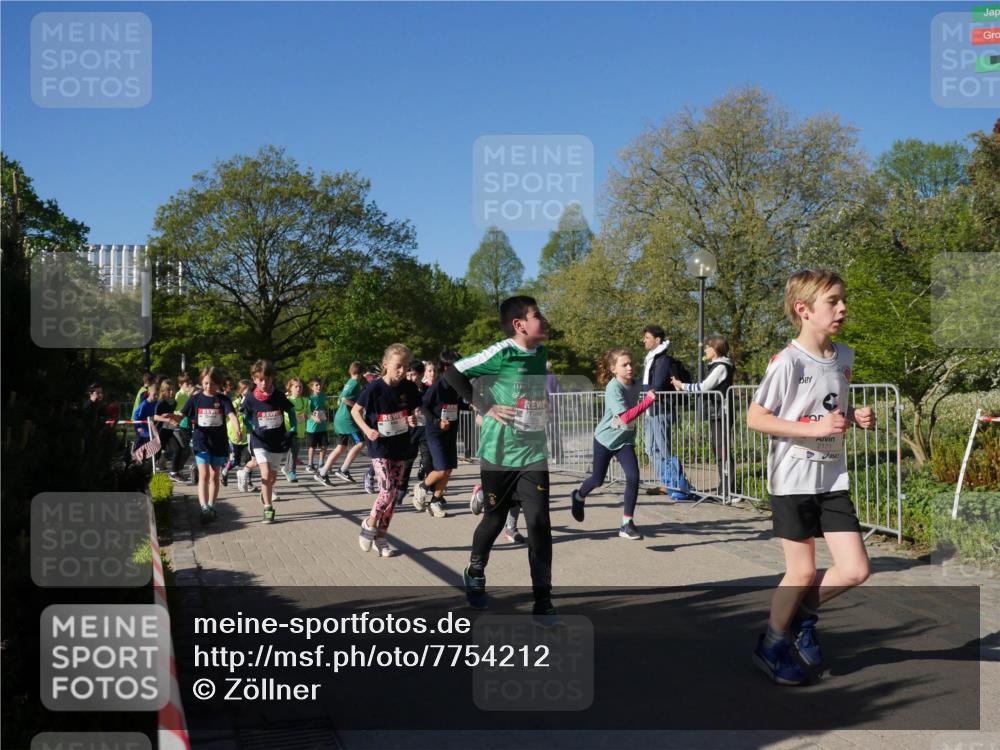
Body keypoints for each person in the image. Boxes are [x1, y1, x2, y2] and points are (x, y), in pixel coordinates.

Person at [747, 269, 874, 686]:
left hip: (832, 480)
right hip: (793, 479)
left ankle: (800, 616)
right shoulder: (788, 362)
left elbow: (834, 406)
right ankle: (771, 644)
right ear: (804, 310)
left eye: (843, 299)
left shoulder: (845, 356)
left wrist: (854, 417)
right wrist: (813, 429)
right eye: (833, 301)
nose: (843, 308)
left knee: (855, 570)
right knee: (800, 574)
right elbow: (755, 417)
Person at [443, 296, 558, 623]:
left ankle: (543, 601)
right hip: (498, 454)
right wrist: (485, 405)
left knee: (539, 524)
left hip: (533, 453)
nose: (544, 320)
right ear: (520, 325)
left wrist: (540, 407)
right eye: (538, 315)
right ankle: (475, 569)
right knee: (494, 519)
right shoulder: (502, 352)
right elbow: (453, 374)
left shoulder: (542, 352)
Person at [571, 349, 656, 539]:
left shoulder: (635, 384)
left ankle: (627, 523)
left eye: (631, 364)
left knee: (633, 477)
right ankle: (578, 496)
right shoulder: (613, 388)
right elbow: (625, 417)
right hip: (605, 439)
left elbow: (652, 386)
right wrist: (647, 401)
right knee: (597, 480)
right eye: (624, 365)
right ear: (613, 369)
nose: (629, 368)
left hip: (624, 440)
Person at [352, 343, 423, 558]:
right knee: (387, 490)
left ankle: (381, 538)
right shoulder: (374, 388)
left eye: (406, 367)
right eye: (398, 366)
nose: (402, 371)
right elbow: (356, 411)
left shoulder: (409, 388)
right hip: (379, 446)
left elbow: (415, 410)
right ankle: (369, 523)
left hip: (401, 445)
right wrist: (367, 429)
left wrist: (413, 417)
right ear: (386, 365)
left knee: (393, 496)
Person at [672, 334, 736, 495]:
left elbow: (704, 387)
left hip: (722, 413)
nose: (705, 350)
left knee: (722, 451)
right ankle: (725, 488)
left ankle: (729, 489)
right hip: (718, 413)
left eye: (708, 347)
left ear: (715, 349)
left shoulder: (721, 367)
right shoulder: (717, 365)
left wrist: (682, 386)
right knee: (719, 449)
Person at [180, 366, 243, 524]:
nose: (209, 386)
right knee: (204, 475)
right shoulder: (195, 399)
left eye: (213, 383)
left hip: (218, 442)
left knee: (215, 475)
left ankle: (211, 505)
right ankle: (203, 508)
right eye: (206, 383)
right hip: (201, 441)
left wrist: (237, 429)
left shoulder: (223, 399)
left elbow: (231, 415)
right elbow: (181, 414)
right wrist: (169, 417)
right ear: (202, 382)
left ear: (218, 384)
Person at [240, 360, 297, 524]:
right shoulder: (251, 398)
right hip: (260, 442)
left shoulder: (278, 395)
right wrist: (250, 429)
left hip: (278, 441)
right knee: (265, 474)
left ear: (273, 379)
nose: (264, 383)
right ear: (254, 379)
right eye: (261, 379)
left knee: (272, 477)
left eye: (268, 379)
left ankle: (265, 493)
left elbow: (291, 411)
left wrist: (292, 429)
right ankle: (268, 508)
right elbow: (244, 416)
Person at [640, 325, 692, 499]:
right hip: (650, 410)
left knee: (663, 450)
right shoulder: (651, 359)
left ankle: (678, 487)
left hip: (661, 409)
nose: (644, 340)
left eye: (647, 337)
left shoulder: (663, 360)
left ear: (657, 340)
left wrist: (644, 390)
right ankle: (668, 483)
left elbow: (658, 384)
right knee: (651, 448)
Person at [413, 350, 462, 518]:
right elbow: (424, 407)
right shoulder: (437, 386)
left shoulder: (457, 385)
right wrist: (437, 422)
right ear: (447, 367)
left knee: (448, 470)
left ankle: (435, 501)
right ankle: (422, 487)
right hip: (435, 433)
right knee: (441, 469)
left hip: (451, 432)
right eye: (457, 366)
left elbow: (460, 403)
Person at [316, 362, 366, 486]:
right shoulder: (354, 383)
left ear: (350, 371)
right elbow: (344, 399)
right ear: (361, 373)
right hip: (346, 419)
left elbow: (339, 400)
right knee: (360, 443)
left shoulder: (349, 382)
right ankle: (343, 469)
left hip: (341, 417)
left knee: (341, 447)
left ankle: (322, 472)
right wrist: (357, 406)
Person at [225, 380, 254, 492]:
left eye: (250, 390)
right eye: (245, 390)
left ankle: (249, 482)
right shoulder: (235, 403)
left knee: (249, 459)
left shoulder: (252, 402)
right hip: (235, 435)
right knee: (235, 461)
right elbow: (230, 417)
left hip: (247, 435)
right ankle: (225, 471)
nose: (248, 392)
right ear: (240, 391)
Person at [283, 377, 309, 483]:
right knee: (293, 449)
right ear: (290, 388)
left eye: (300, 387)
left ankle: (286, 468)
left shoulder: (305, 400)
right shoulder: (286, 399)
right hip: (288, 429)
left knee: (293, 450)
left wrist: (305, 417)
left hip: (300, 429)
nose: (298, 388)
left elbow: (308, 414)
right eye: (296, 386)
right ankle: (291, 471)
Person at [305, 378, 329, 472]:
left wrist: (324, 414)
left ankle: (321, 463)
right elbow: (306, 412)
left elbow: (324, 406)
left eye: (319, 385)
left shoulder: (323, 396)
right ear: (312, 387)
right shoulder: (310, 398)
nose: (319, 387)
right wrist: (313, 417)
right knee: (312, 446)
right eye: (316, 385)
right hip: (312, 427)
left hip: (322, 426)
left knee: (324, 445)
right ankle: (310, 464)